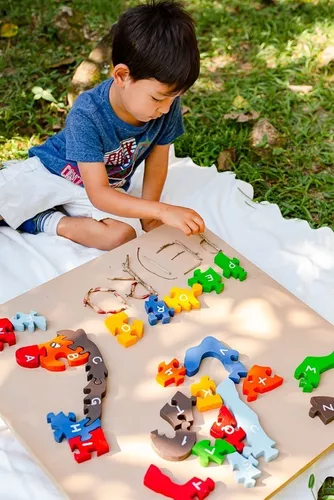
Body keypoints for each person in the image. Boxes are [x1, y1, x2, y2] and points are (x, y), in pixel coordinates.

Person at [0, 0, 205, 250]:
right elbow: (99, 193)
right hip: (53, 173)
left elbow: (157, 163)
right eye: (158, 98)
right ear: (121, 76)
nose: (166, 108)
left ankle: (45, 220)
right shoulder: (88, 113)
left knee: (120, 236)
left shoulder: (166, 106)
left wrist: (149, 218)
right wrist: (162, 210)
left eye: (173, 99)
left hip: (101, 189)